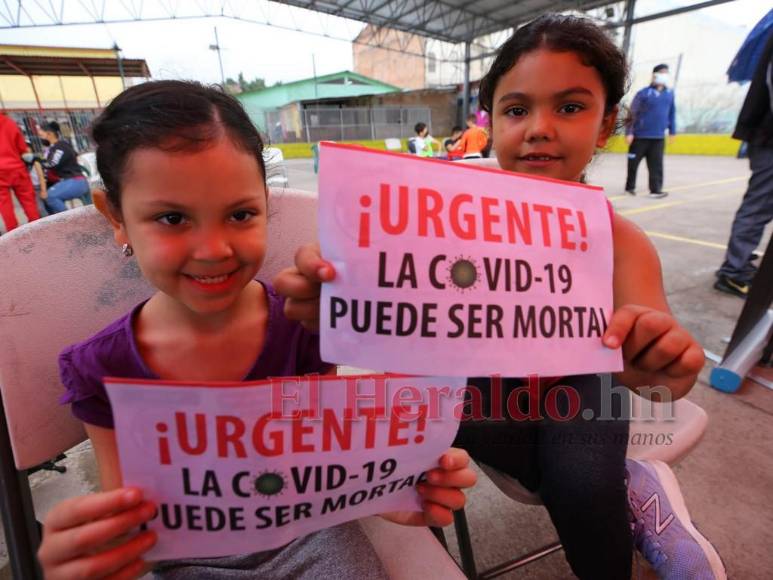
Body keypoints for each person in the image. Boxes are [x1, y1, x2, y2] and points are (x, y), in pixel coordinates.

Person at [274, 15, 726, 580]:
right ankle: (626, 490)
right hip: (482, 389)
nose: (538, 127)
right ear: (491, 123)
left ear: (607, 122)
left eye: (569, 107)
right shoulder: (436, 218)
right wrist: (342, 301)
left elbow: (668, 378)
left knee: (582, 480)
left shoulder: (621, 241)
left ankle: (610, 505)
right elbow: (380, 294)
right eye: (517, 110)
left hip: (580, 389)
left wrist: (661, 363)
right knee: (403, 427)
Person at [37, 81, 476, 579]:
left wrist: (387, 489)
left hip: (311, 534)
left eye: (240, 214)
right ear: (115, 218)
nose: (214, 249)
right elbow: (128, 518)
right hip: (187, 558)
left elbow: (328, 462)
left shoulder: (302, 326)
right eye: (173, 218)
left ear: (265, 204)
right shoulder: (102, 367)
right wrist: (92, 550)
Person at [715, 31, 773, 298]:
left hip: (764, 133)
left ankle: (740, 261)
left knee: (762, 206)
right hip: (768, 137)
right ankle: (733, 271)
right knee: (759, 205)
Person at [625, 64, 676, 198]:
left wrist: (672, 131)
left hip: (658, 137)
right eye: (661, 73)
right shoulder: (643, 93)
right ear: (654, 75)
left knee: (656, 166)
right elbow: (632, 113)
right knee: (633, 164)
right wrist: (629, 132)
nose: (664, 75)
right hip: (640, 136)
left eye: (666, 73)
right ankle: (630, 187)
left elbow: (672, 113)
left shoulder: (670, 94)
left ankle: (655, 190)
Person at [37, 121, 91, 214]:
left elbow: (51, 164)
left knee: (50, 196)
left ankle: (68, 221)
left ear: (49, 134)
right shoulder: (57, 146)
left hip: (75, 181)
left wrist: (38, 162)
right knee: (47, 197)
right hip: (71, 180)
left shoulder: (60, 146)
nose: (40, 138)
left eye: (41, 134)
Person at [0, 112, 40, 232]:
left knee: (5, 205)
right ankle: (37, 230)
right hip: (16, 167)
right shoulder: (10, 123)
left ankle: (13, 234)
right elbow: (22, 148)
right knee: (29, 201)